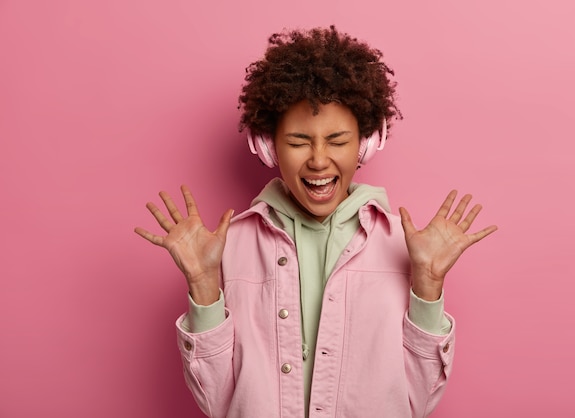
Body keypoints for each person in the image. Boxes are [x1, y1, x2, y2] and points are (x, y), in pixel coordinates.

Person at [135, 26, 497, 418]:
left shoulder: (404, 247)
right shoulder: (230, 247)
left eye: (338, 141)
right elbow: (219, 404)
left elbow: (417, 403)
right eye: (298, 142)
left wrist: (427, 285)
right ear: (269, 146)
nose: (319, 160)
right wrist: (204, 285)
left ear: (367, 142)